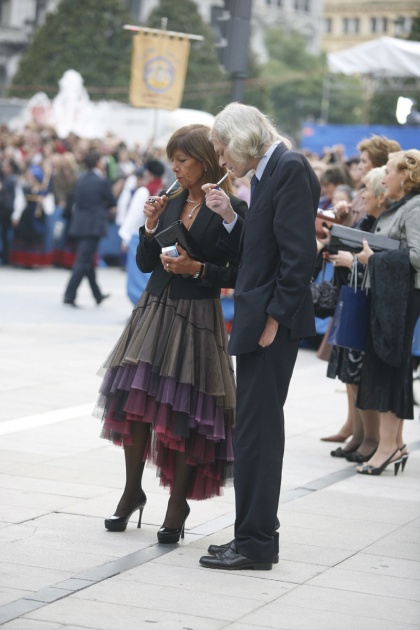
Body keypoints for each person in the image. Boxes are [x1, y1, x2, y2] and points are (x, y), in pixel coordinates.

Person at [96, 124, 247, 542]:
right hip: (154, 309)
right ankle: (131, 492)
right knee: (135, 404)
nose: (175, 168)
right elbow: (147, 263)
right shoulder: (170, 200)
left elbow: (239, 270)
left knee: (184, 411)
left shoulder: (228, 208)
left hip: (197, 316)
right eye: (173, 160)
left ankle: (177, 503)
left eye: (182, 160)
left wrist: (197, 268)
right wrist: (149, 227)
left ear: (205, 160)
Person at [199, 103, 320, 571]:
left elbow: (298, 257)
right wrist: (231, 214)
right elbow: (261, 247)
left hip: (270, 326)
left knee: (259, 436)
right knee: (250, 434)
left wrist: (272, 320)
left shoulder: (287, 168)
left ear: (244, 138)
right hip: (258, 320)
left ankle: (255, 544)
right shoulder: (271, 169)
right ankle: (247, 536)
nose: (222, 161)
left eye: (223, 149)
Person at [355, 149, 420, 475]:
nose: (385, 177)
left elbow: (419, 256)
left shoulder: (415, 207)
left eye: (390, 171)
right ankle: (392, 445)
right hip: (389, 296)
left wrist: (375, 259)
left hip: (403, 298)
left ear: (406, 177)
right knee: (386, 366)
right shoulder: (402, 206)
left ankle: (389, 446)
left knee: (392, 367)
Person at [326, 166, 387, 462]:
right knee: (351, 375)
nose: (361, 194)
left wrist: (354, 262)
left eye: (366, 189)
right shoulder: (367, 218)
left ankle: (371, 438)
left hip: (370, 303)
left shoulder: (384, 222)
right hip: (355, 299)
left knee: (361, 374)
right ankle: (360, 434)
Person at [63, 150, 116, 307]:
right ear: (98, 163)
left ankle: (97, 294)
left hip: (79, 223)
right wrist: (102, 206)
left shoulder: (81, 179)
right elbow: (112, 201)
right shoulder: (101, 181)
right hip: (93, 225)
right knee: (82, 260)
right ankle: (69, 295)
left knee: (87, 260)